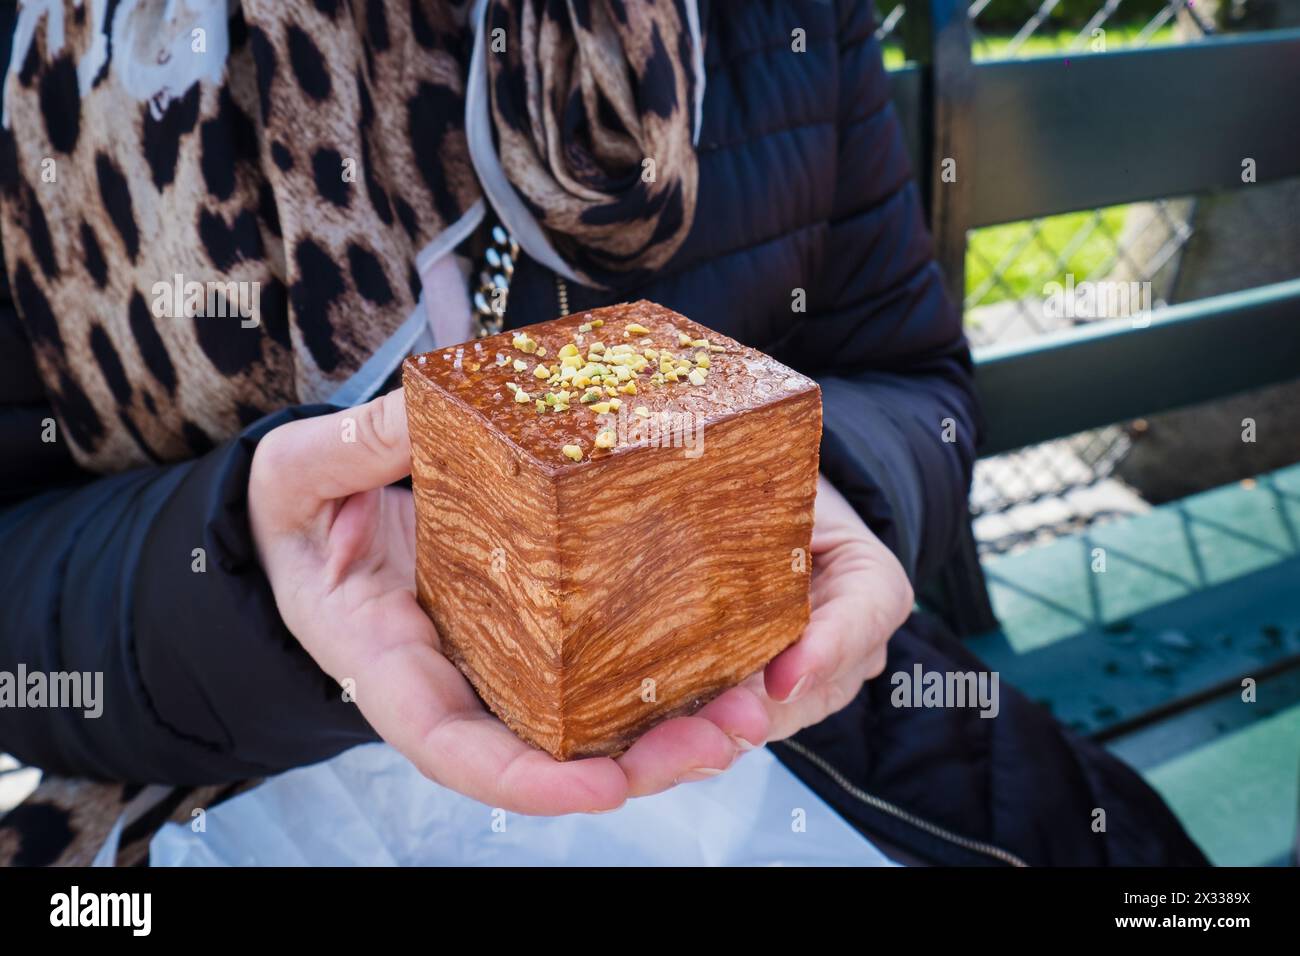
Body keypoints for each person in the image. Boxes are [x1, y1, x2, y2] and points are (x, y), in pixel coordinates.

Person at [0, 0, 1204, 864]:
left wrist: (800, 498)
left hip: (763, 729)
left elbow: (909, 378)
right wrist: (247, 580)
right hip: (227, 783)